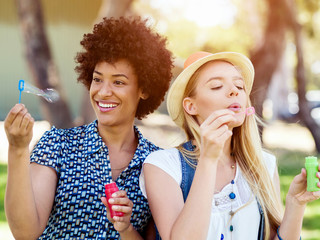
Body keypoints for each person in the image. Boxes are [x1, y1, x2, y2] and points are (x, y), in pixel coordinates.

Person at [4, 17, 173, 240]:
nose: (103, 92)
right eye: (97, 79)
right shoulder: (57, 144)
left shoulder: (157, 162)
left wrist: (125, 227)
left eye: (118, 82)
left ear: (144, 88)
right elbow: (24, 232)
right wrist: (17, 149)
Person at [139, 51, 320, 240]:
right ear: (191, 106)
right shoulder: (162, 166)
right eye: (217, 86)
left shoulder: (265, 164)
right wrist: (208, 159)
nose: (234, 91)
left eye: (239, 86)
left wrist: (296, 204)